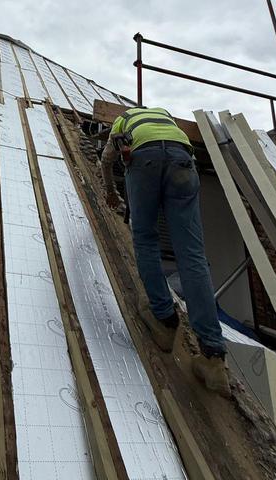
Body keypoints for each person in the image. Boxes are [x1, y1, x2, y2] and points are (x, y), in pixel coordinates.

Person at [101, 106, 230, 397]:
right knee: (192, 253)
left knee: (146, 239)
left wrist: (110, 191)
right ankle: (213, 357)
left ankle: (164, 320)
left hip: (144, 160)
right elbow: (171, 147)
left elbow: (107, 160)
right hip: (183, 161)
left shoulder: (122, 120)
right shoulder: (166, 117)